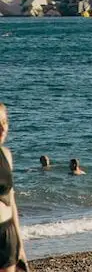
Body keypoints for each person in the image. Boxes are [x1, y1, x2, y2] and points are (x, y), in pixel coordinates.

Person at [0, 104, 28, 271]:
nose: (2, 128)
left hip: (6, 234)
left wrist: (20, 244)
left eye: (5, 122)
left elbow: (12, 202)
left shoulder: (6, 155)